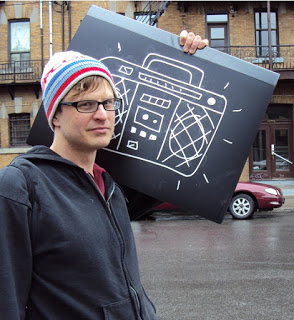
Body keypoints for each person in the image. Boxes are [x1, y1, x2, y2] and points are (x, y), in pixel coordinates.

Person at [0, 31, 207, 319]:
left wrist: (189, 55)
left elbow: (175, 176)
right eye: (85, 104)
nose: (102, 114)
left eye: (108, 103)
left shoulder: (110, 187)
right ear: (55, 115)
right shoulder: (20, 185)